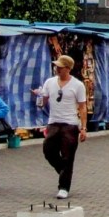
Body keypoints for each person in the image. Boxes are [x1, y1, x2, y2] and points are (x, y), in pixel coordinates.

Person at [40, 55, 87, 199]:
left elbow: (82, 107)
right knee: (48, 150)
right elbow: (43, 101)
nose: (57, 69)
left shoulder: (78, 85)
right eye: (56, 66)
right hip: (53, 122)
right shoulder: (49, 82)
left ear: (68, 68)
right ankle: (64, 170)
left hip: (70, 124)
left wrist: (83, 128)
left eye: (60, 67)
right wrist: (39, 97)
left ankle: (64, 187)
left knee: (68, 156)